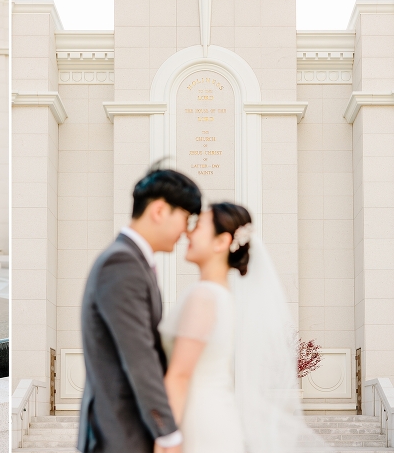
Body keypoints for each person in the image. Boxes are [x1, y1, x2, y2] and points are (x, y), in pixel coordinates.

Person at [160, 203, 328, 453]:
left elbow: (179, 376)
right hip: (213, 418)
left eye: (199, 227)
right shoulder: (224, 296)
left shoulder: (204, 296)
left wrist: (165, 438)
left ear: (221, 242)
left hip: (199, 424)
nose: (188, 233)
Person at [77, 168, 202, 453]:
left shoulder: (132, 261)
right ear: (159, 210)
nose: (186, 230)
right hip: (121, 434)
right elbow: (139, 354)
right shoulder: (121, 263)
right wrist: (168, 432)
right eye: (185, 217)